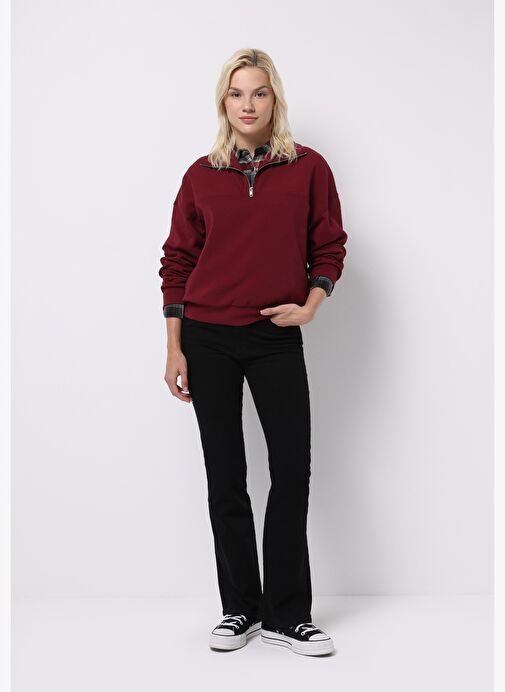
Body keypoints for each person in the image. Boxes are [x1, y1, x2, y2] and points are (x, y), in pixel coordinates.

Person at [159, 48, 348, 657]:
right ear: (224, 101)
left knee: (291, 471)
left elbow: (329, 245)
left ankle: (287, 614)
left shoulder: (308, 168)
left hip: (274, 336)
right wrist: (175, 347)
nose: (248, 104)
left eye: (259, 93)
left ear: (274, 100)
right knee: (226, 476)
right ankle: (239, 608)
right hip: (207, 338)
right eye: (237, 93)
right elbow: (177, 262)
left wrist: (311, 305)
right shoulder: (200, 175)